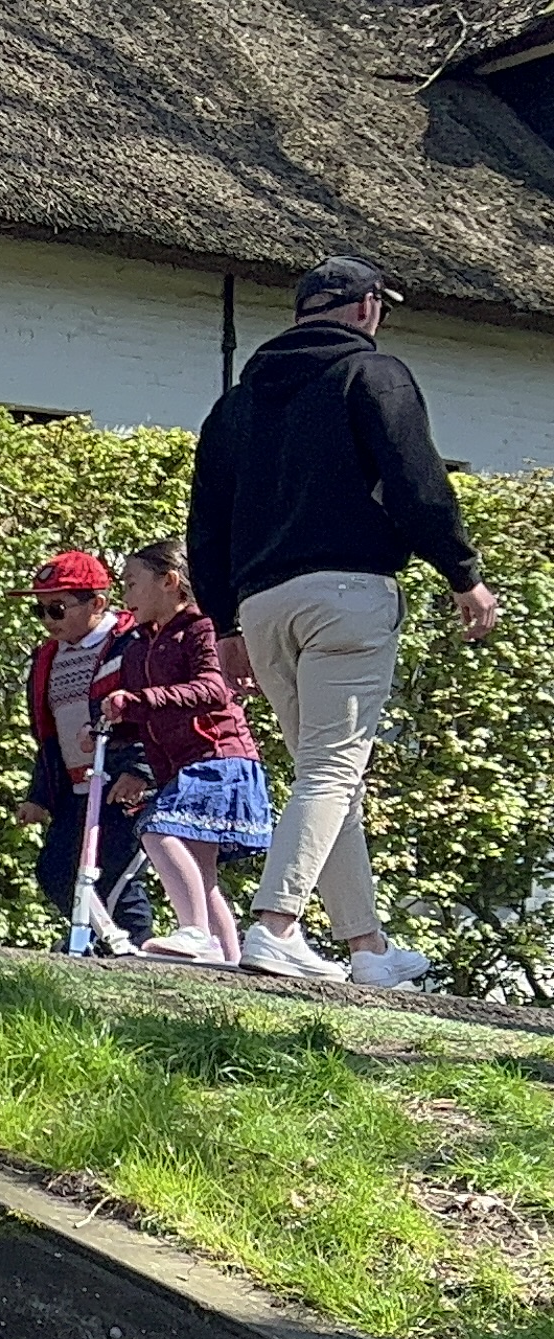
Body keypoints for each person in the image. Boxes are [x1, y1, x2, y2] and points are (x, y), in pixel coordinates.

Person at [186, 254, 503, 986]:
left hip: (262, 608)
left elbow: (207, 525)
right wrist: (464, 574)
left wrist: (224, 625)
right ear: (366, 308)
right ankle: (275, 927)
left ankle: (367, 950)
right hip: (348, 596)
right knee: (333, 769)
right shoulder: (374, 374)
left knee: (324, 780)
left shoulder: (234, 406)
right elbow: (418, 481)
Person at [95, 539, 267, 966]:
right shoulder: (137, 648)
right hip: (181, 767)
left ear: (169, 582)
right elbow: (145, 711)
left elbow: (213, 688)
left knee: (156, 829)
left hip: (219, 758)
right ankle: (230, 960)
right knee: (200, 872)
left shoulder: (202, 628)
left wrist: (135, 702)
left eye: (132, 584)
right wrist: (110, 727)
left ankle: (195, 934)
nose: (126, 596)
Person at [7, 549, 154, 949]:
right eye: (40, 611)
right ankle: (107, 943)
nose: (47, 621)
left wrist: (140, 770)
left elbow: (152, 710)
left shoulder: (132, 644)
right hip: (75, 789)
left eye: (56, 608)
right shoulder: (47, 658)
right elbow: (49, 732)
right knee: (57, 869)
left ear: (98, 603)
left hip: (122, 783)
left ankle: (136, 951)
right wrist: (39, 796)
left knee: (118, 877)